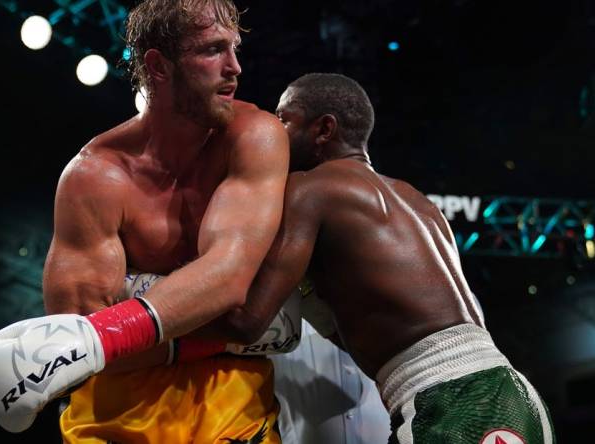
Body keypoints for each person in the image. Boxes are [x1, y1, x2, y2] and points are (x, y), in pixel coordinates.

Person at [0, 0, 291, 443]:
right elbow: (79, 335)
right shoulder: (94, 177)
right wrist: (234, 332)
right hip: (111, 423)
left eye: (234, 48)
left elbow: (229, 278)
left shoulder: (253, 136)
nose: (234, 67)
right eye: (213, 50)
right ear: (159, 66)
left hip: (233, 420)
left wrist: (121, 311)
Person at [210, 73, 556, 444]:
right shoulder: (418, 202)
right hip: (515, 394)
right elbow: (389, 329)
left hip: (446, 404)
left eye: (284, 120)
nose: (275, 133)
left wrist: (160, 306)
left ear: (324, 129)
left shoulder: (310, 190)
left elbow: (247, 321)